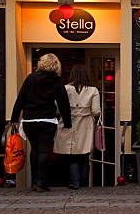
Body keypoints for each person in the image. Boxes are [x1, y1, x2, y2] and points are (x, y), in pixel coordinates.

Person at [10, 53, 72, 192]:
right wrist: (67, 122)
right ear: (56, 65)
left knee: (34, 149)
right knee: (44, 150)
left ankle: (33, 180)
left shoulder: (31, 78)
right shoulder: (56, 81)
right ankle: (41, 181)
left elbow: (21, 98)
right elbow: (63, 103)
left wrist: (14, 118)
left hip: (30, 119)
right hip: (47, 119)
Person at [54, 65, 101, 190]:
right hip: (85, 123)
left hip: (68, 122)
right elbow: (96, 111)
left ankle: (75, 182)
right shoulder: (93, 90)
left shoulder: (65, 89)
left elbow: (58, 110)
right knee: (84, 155)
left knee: (72, 155)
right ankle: (85, 183)